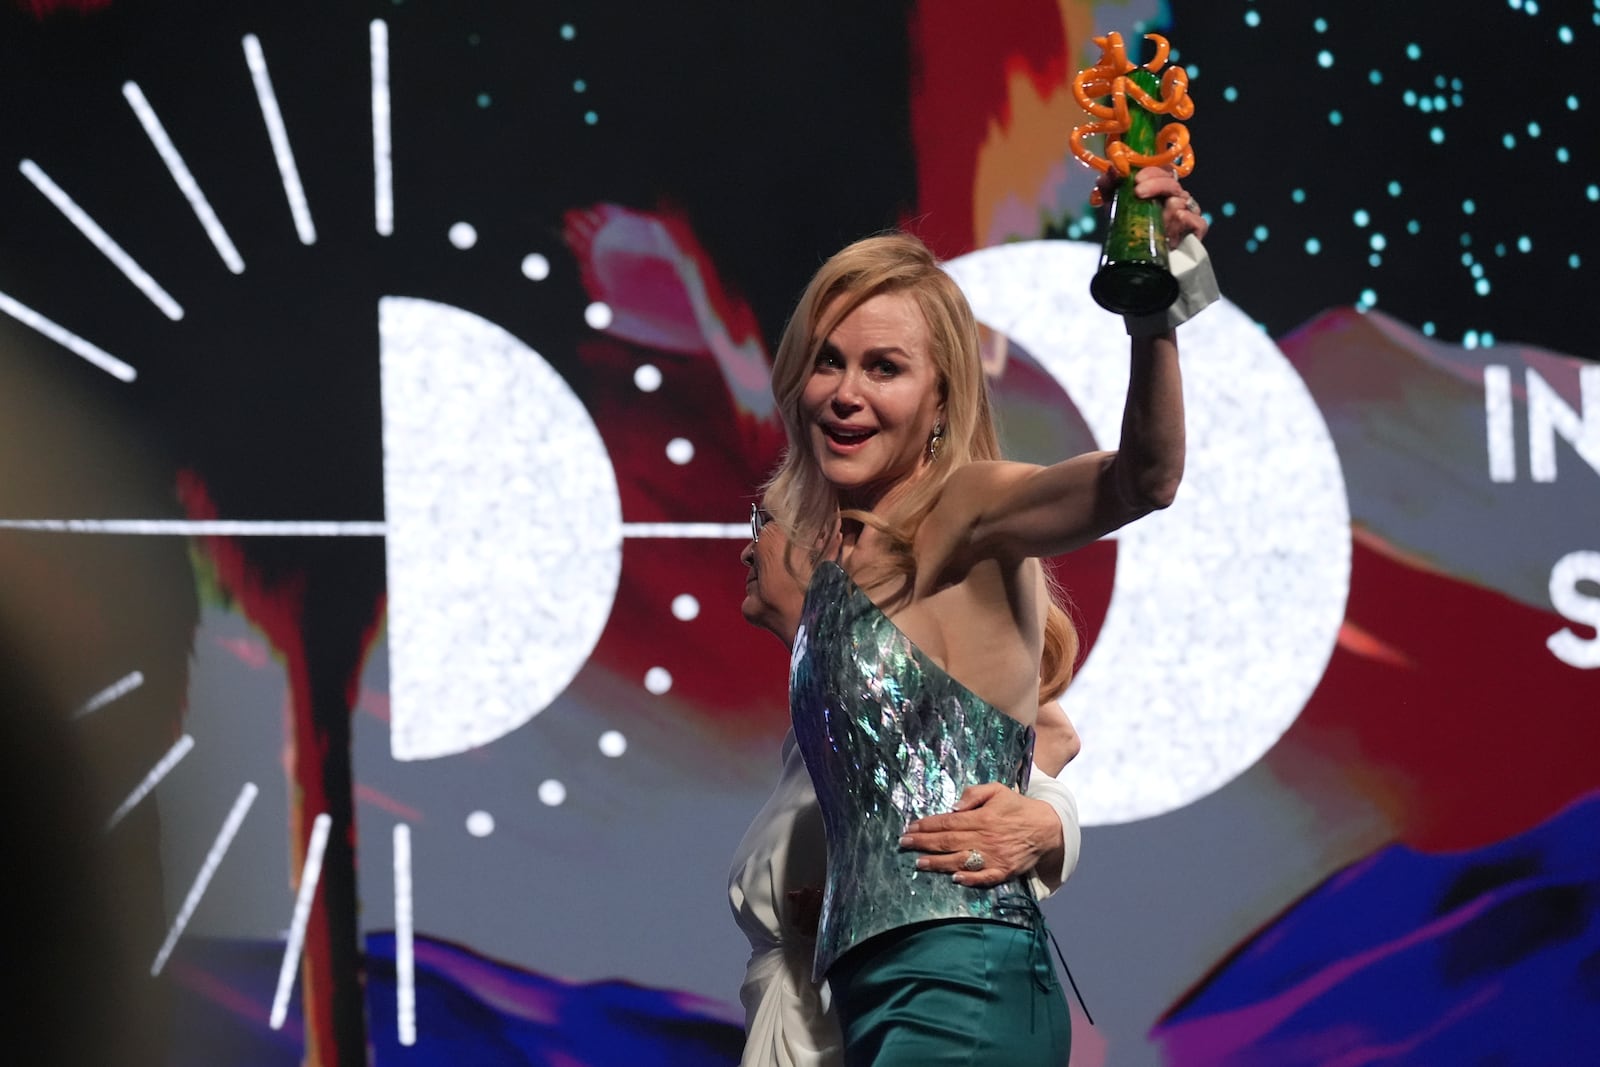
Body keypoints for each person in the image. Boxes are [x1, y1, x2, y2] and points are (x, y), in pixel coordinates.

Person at [758, 166, 1212, 1065]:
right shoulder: (833, 563)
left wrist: (1156, 306)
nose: (845, 392)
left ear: (939, 400)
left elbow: (1143, 480)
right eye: (827, 360)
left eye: (884, 367)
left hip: (960, 982)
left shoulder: (960, 510)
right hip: (878, 990)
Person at [728, 514, 1083, 1067]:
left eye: (763, 523)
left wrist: (1050, 823)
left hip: (890, 1022)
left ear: (826, 541)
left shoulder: (914, 715)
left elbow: (1029, 779)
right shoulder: (820, 731)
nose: (746, 552)